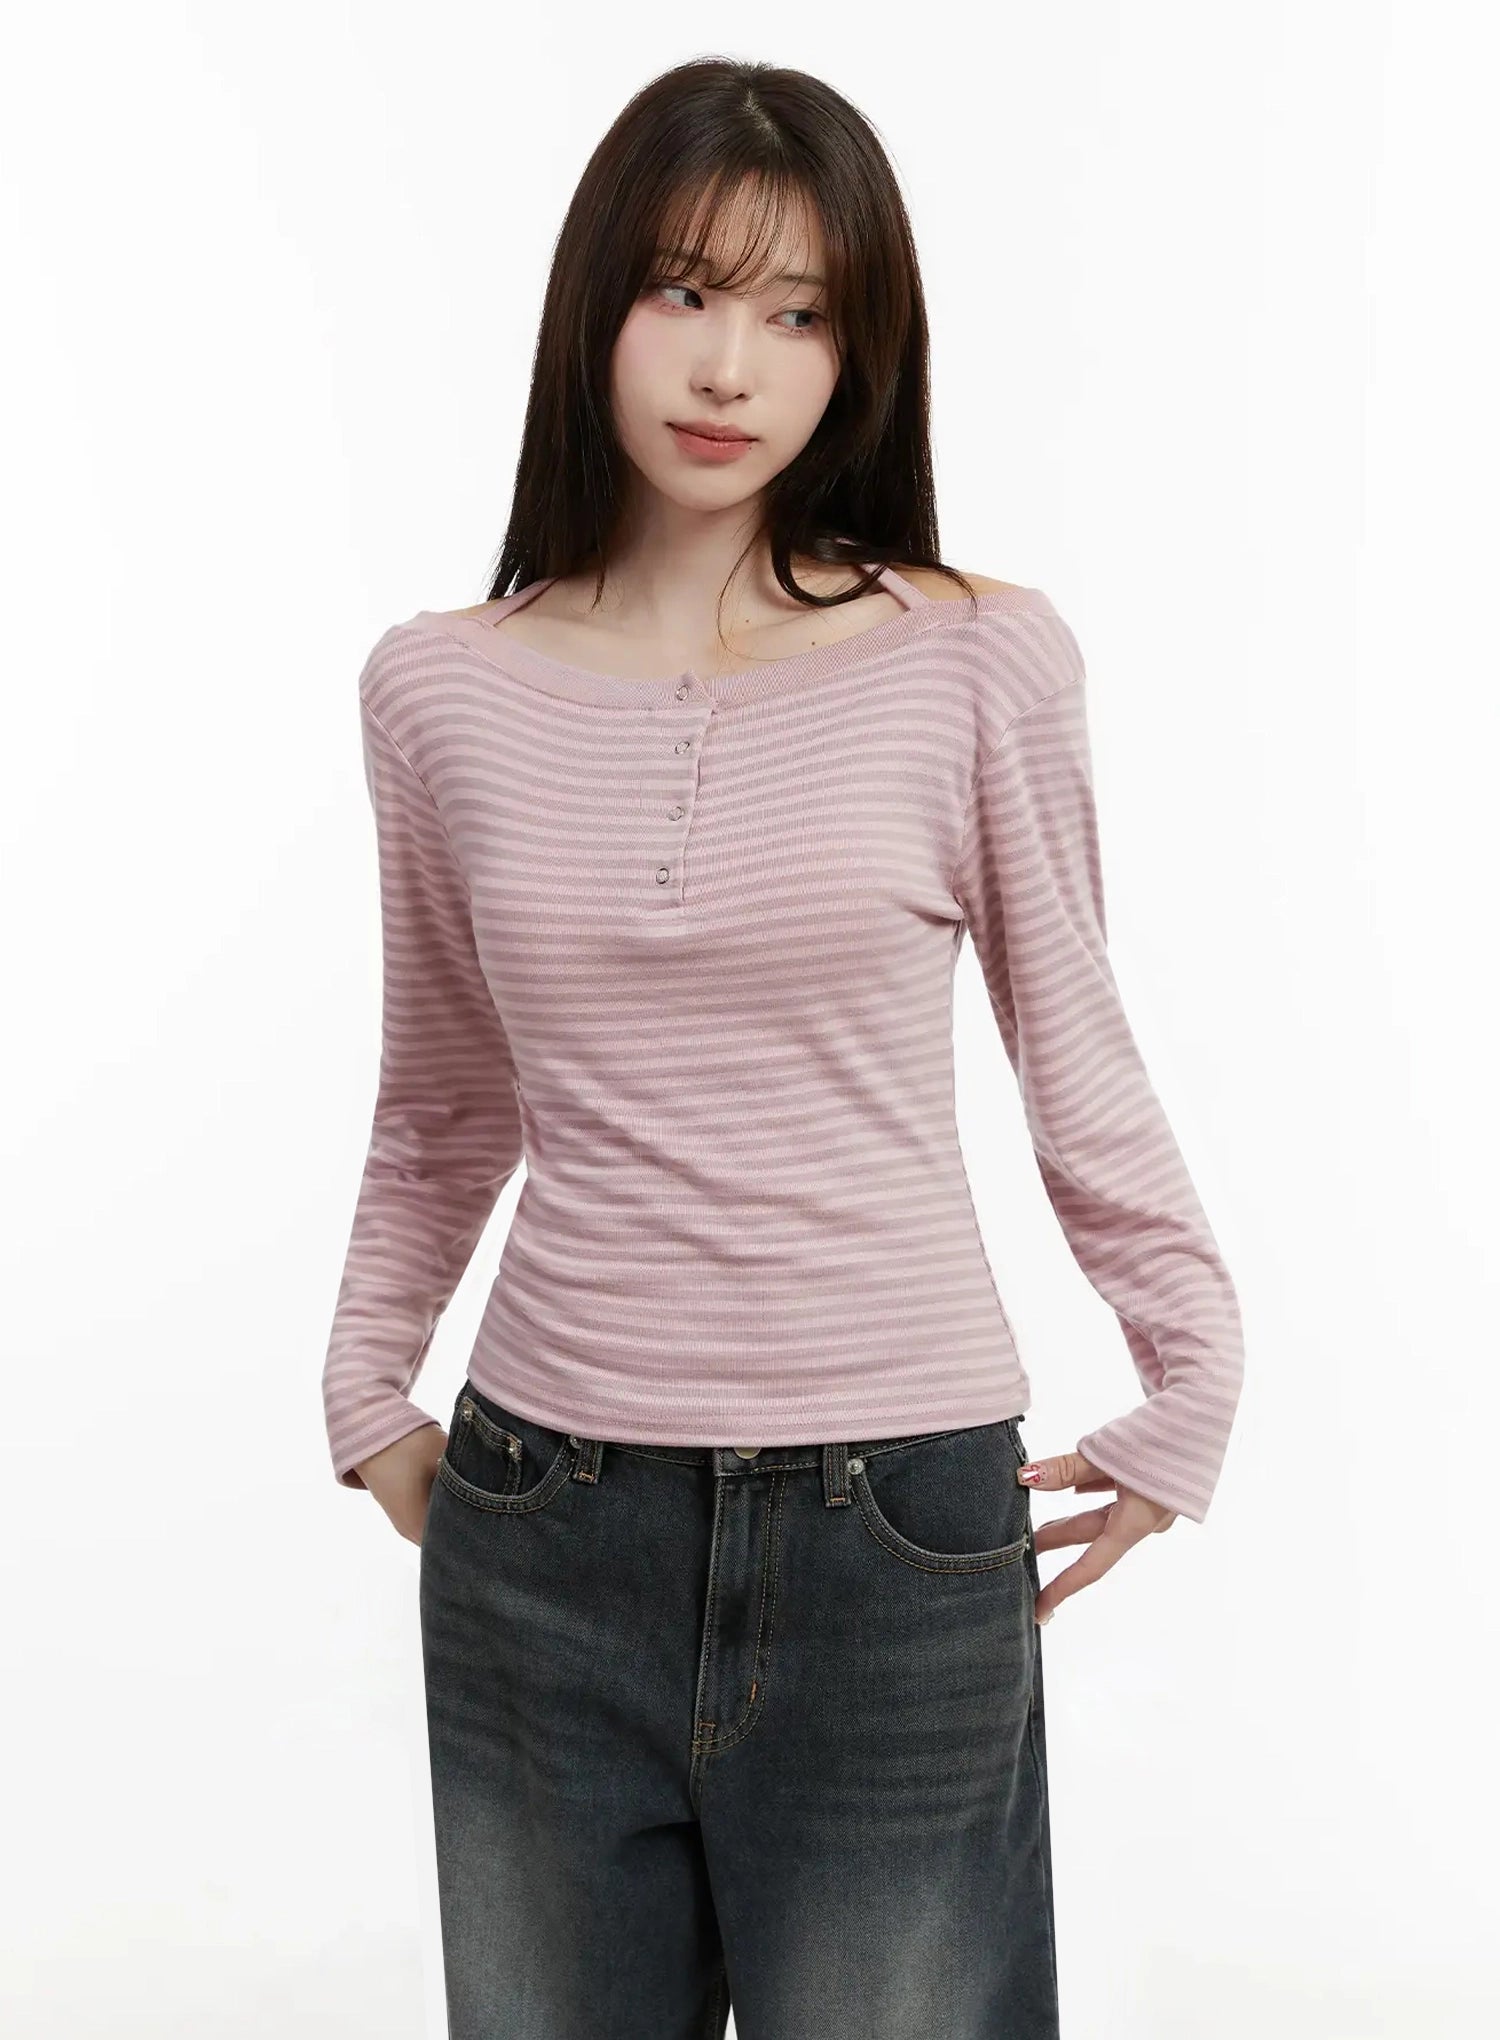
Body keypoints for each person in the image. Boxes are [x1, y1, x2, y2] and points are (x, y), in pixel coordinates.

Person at [320, 53, 1244, 2040]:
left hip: (894, 1535)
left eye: (801, 312)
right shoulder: (439, 695)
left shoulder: (977, 660)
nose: (731, 366)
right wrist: (365, 1386)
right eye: (684, 290)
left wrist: (1194, 1362)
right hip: (541, 1521)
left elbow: (1077, 1043)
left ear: (863, 353)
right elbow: (440, 1106)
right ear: (596, 306)